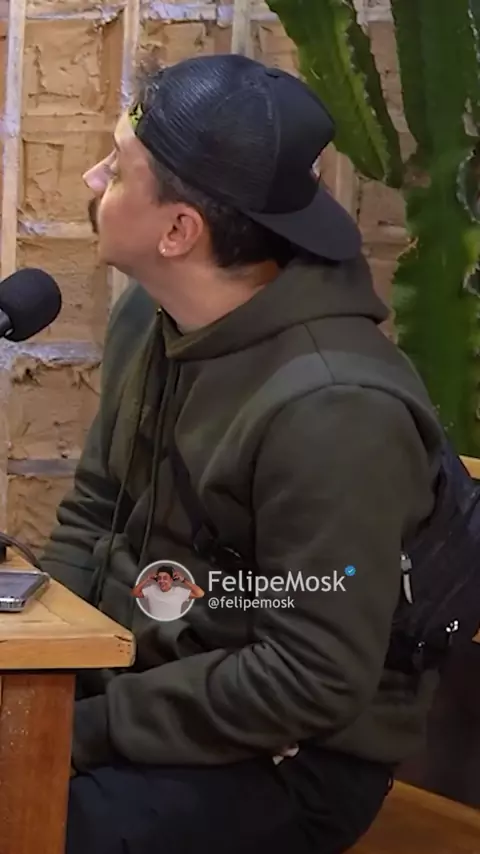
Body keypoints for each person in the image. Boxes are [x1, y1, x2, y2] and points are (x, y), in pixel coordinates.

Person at [40, 53, 445, 854]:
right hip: (138, 695)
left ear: (178, 231)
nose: (91, 180)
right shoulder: (151, 318)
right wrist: (35, 676)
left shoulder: (337, 410)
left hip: (285, 762)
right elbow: (95, 512)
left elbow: (308, 677)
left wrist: (80, 732)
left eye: (116, 170)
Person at [132, 563, 204, 621]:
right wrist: (147, 579)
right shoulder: (151, 589)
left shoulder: (179, 591)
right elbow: (134, 593)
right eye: (159, 578)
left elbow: (200, 593)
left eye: (165, 578)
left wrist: (184, 580)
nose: (161, 581)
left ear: (171, 580)